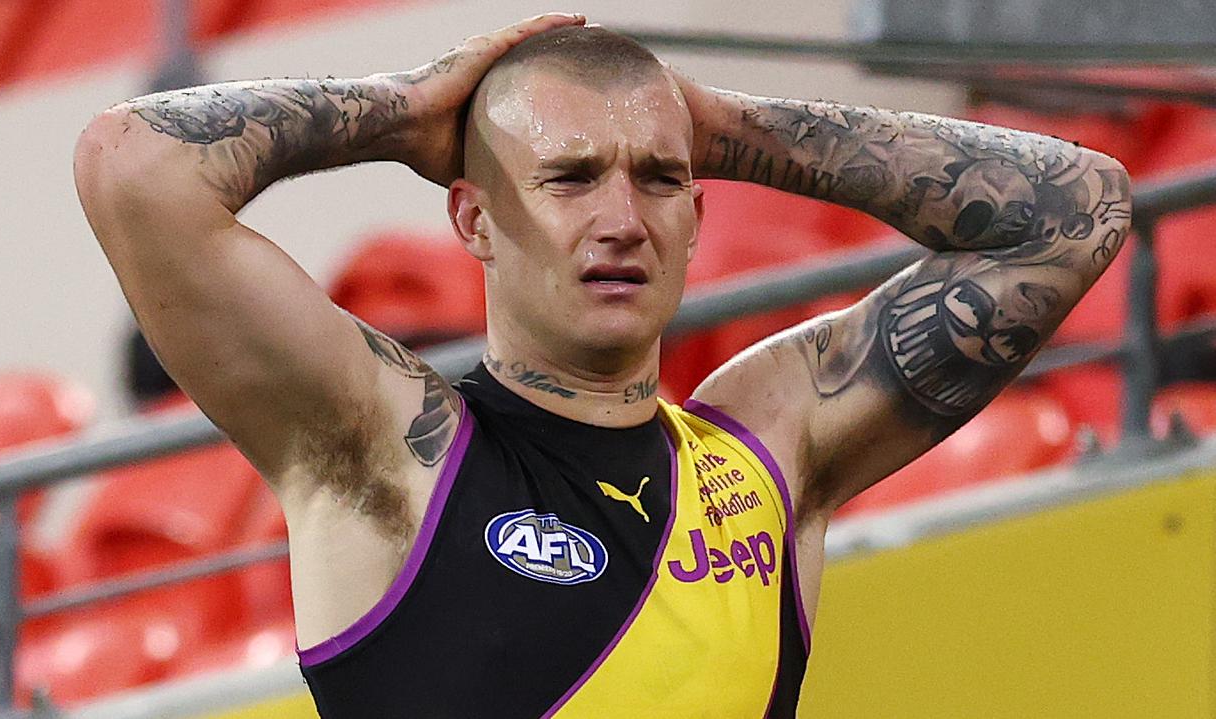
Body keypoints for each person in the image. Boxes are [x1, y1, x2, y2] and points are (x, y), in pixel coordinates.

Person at [72, 14, 1131, 718]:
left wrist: (726, 124)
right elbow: (135, 165)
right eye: (571, 178)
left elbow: (1081, 208)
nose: (622, 220)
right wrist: (407, 107)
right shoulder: (388, 447)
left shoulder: (767, 446)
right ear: (473, 219)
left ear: (699, 209)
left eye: (660, 179)